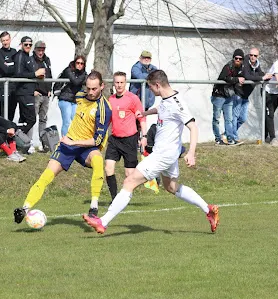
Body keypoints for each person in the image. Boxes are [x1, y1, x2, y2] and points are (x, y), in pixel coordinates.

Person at [83, 70, 219, 235]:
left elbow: (193, 127)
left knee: (129, 181)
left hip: (163, 154)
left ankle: (103, 222)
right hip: (167, 153)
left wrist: (191, 152)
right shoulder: (165, 98)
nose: (151, 91)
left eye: (151, 88)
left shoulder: (177, 103)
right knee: (171, 186)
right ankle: (208, 209)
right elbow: (161, 109)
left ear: (158, 85)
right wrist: (145, 113)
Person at [13, 71, 112, 223]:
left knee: (98, 161)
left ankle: (93, 207)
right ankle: (25, 208)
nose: (90, 92)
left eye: (94, 89)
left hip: (86, 146)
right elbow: (64, 94)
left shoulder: (104, 108)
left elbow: (97, 141)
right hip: (69, 143)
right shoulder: (80, 96)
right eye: (88, 88)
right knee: (47, 174)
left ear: (102, 86)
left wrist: (73, 142)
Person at [105, 71, 147, 201]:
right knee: (108, 168)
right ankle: (114, 199)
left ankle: (149, 178)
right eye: (117, 82)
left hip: (129, 139)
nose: (119, 85)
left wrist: (144, 136)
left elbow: (142, 118)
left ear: (125, 82)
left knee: (129, 174)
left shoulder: (133, 98)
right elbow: (108, 121)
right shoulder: (110, 99)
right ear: (114, 83)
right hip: (114, 139)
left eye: (121, 82)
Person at [12, 36, 45, 143]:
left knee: (23, 120)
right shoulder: (20, 56)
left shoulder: (28, 57)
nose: (28, 46)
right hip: (23, 93)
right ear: (21, 45)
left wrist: (36, 79)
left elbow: (28, 74)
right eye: (26, 44)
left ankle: (22, 143)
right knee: (32, 119)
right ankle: (13, 134)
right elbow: (18, 74)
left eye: (30, 45)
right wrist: (35, 74)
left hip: (29, 92)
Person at [234, 47, 271, 135]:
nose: (253, 57)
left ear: (258, 56)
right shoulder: (245, 62)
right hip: (238, 93)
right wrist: (261, 77)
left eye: (255, 55)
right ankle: (231, 137)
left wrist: (267, 75)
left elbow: (260, 73)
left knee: (242, 118)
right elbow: (247, 76)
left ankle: (229, 134)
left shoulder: (256, 64)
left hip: (246, 95)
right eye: (251, 55)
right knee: (234, 117)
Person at [211, 49, 245, 145]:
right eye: (236, 58)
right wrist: (237, 79)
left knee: (229, 119)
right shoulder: (228, 66)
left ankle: (230, 139)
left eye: (240, 58)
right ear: (233, 58)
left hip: (229, 96)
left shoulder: (241, 68)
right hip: (218, 95)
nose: (238, 60)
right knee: (216, 118)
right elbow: (223, 78)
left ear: (242, 60)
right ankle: (218, 139)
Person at [56, 55, 87, 137]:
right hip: (64, 98)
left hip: (74, 100)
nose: (79, 65)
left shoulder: (82, 73)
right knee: (66, 122)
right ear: (74, 63)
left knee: (75, 120)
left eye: (82, 63)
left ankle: (74, 140)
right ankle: (64, 142)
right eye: (78, 63)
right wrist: (84, 76)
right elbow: (75, 81)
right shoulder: (68, 70)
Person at [32, 40, 53, 151]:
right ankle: (29, 143)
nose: (41, 52)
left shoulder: (47, 60)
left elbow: (50, 74)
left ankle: (43, 143)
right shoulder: (31, 60)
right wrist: (33, 90)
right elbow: (30, 76)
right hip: (36, 93)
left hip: (46, 94)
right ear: (35, 50)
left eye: (42, 50)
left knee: (43, 119)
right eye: (39, 50)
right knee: (32, 118)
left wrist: (50, 89)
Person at [0, 31, 18, 119]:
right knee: (4, 113)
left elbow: (19, 68)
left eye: (7, 40)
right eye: (3, 40)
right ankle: (3, 132)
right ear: (1, 41)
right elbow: (5, 70)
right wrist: (13, 67)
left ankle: (10, 132)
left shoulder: (15, 52)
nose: (5, 42)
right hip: (4, 87)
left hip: (14, 86)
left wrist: (9, 66)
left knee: (12, 112)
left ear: (10, 40)